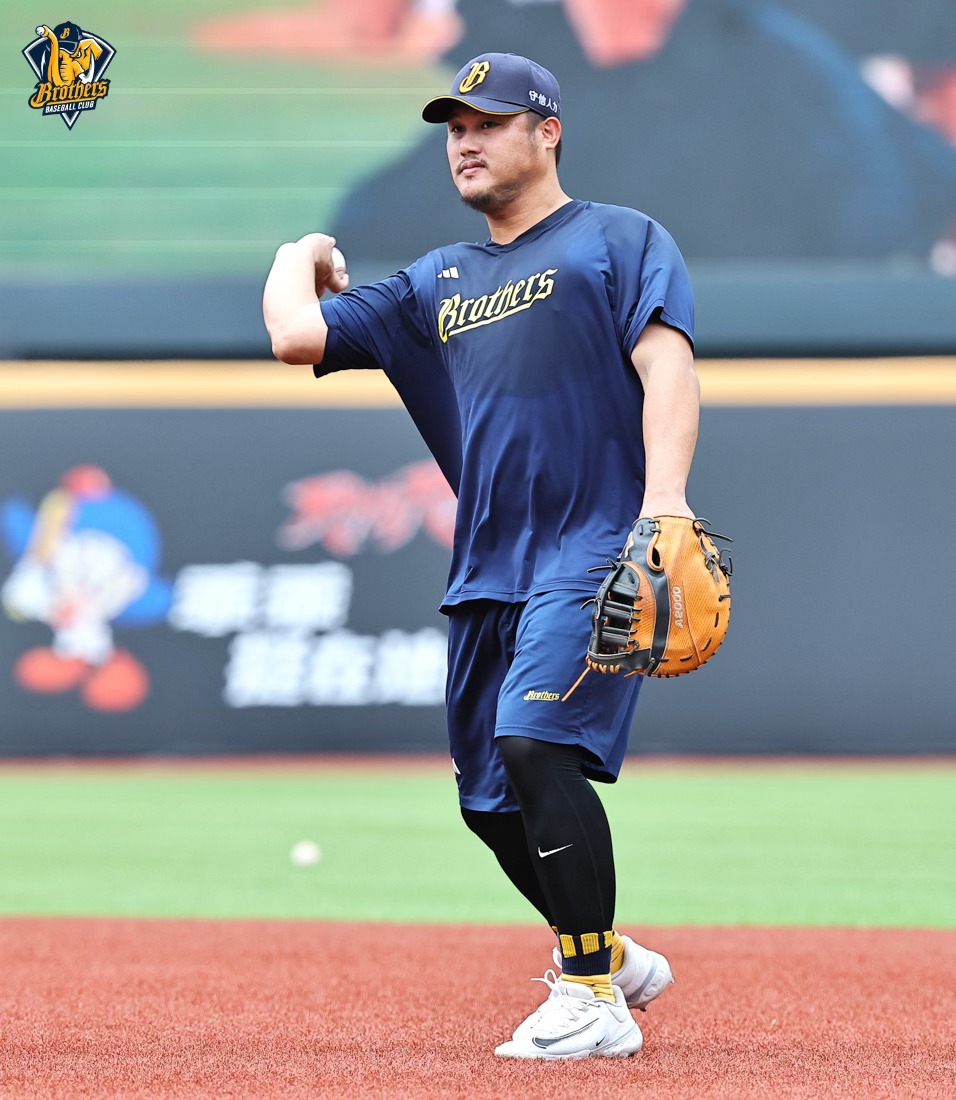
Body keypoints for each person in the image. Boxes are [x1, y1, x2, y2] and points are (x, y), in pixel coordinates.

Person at [264, 52, 697, 1060]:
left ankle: (590, 995)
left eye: (489, 122)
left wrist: (664, 507)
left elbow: (667, 367)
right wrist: (301, 249)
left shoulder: (618, 239)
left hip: (599, 543)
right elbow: (293, 335)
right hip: (488, 568)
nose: (464, 141)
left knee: (535, 742)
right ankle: (610, 953)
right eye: (454, 127)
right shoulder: (433, 282)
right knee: (488, 801)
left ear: (547, 131)